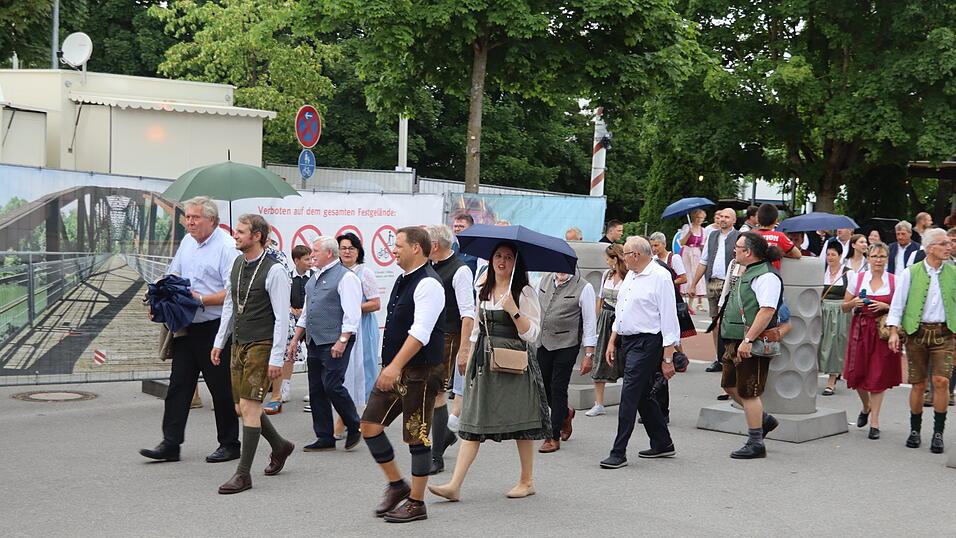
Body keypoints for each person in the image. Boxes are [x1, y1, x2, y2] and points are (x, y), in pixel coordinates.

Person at [428, 242, 547, 501]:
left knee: (522, 423)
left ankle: (527, 480)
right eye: (498, 256)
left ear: (516, 263)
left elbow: (533, 335)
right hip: (484, 361)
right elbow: (476, 329)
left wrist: (514, 311)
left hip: (515, 362)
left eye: (508, 257)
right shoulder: (483, 287)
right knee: (473, 420)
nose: (501, 261)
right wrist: (468, 353)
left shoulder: (524, 292)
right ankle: (455, 484)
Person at [139, 196, 240, 464]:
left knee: (221, 390)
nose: (189, 222)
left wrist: (201, 300)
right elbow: (173, 278)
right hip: (187, 325)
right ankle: (170, 444)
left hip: (215, 327)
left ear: (212, 221)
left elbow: (234, 293)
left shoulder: (227, 248)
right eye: (188, 217)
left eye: (195, 217)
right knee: (179, 386)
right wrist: (159, 301)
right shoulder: (187, 243)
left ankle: (230, 444)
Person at [361, 227, 445, 523]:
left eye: (398, 245)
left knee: (416, 435)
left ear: (417, 249)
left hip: (421, 371)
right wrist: (392, 366)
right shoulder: (403, 279)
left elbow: (420, 332)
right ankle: (397, 485)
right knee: (369, 425)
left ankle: (417, 503)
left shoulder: (430, 284)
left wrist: (394, 366)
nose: (393, 250)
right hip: (397, 369)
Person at [210, 214, 294, 494]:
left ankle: (243, 474)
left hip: (263, 343)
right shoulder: (236, 263)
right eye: (236, 231)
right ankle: (280, 445)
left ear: (257, 236)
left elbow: (282, 317)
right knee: (242, 408)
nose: (235, 235)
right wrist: (219, 342)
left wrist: (276, 359)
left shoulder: (274, 270)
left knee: (249, 407)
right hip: (239, 342)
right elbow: (229, 306)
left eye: (241, 232)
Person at [598, 236, 679, 469]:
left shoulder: (660, 277)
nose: (622, 258)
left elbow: (669, 319)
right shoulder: (632, 274)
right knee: (642, 394)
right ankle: (663, 442)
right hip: (628, 340)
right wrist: (613, 340)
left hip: (648, 342)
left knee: (630, 394)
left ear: (635, 255)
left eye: (625, 254)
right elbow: (622, 310)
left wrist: (667, 358)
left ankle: (618, 451)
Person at [288, 236, 363, 452]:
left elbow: (352, 314)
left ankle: (354, 423)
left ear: (329, 253)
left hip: (335, 341)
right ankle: (324, 437)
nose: (311, 255)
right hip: (314, 340)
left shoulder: (345, 277)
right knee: (317, 389)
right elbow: (306, 312)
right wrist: (295, 339)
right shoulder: (313, 279)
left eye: (315, 251)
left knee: (332, 384)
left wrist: (342, 341)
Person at [887, 228, 955, 453]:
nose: (949, 247)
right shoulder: (911, 272)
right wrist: (894, 331)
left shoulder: (953, 272)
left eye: (949, 243)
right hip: (916, 332)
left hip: (945, 333)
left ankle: (938, 432)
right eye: (943, 244)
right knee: (917, 384)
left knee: (941, 382)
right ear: (929, 248)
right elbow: (898, 304)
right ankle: (915, 429)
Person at [717, 232, 783, 459]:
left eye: (738, 247)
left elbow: (766, 311)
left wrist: (748, 340)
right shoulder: (749, 272)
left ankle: (756, 441)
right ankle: (764, 420)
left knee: (749, 391)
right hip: (736, 339)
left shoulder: (766, 276)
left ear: (748, 252)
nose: (734, 250)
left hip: (750, 342)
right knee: (730, 386)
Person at [424, 224, 475, 474]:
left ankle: (436, 456)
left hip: (450, 336)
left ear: (435, 245)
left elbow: (468, 314)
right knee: (430, 391)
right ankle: (443, 436)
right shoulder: (429, 266)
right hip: (430, 335)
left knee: (437, 392)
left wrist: (464, 349)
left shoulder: (460, 270)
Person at [841, 242, 900, 441]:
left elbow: (901, 308)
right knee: (856, 375)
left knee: (877, 376)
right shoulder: (857, 278)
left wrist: (886, 305)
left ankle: (874, 422)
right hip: (860, 330)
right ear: (868, 258)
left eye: (882, 257)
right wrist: (853, 302)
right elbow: (844, 307)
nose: (878, 260)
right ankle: (866, 406)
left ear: (887, 259)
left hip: (882, 332)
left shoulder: (894, 280)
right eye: (874, 256)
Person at [537, 268, 597, 453]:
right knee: (543, 386)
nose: (560, 271)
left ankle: (552, 437)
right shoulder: (543, 281)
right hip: (543, 342)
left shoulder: (584, 287)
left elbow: (589, 321)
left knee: (558, 387)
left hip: (567, 344)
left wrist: (589, 354)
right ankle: (565, 414)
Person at [331, 233, 381, 437]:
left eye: (351, 248)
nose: (347, 252)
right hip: (340, 330)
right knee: (342, 376)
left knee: (363, 374)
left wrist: (352, 307)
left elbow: (375, 303)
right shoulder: (335, 273)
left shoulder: (364, 273)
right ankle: (352, 419)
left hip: (363, 330)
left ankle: (348, 421)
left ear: (358, 251)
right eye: (343, 248)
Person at [264, 245, 313, 415]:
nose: (310, 262)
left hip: (310, 321)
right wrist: (292, 310)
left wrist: (305, 312)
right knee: (288, 353)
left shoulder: (314, 277)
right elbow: (282, 297)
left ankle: (313, 389)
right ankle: (285, 387)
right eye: (306, 259)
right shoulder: (288, 277)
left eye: (311, 259)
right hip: (292, 319)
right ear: (296, 260)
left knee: (313, 355)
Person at [689, 208, 739, 373]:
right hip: (712, 282)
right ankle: (719, 357)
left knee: (727, 321)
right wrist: (694, 284)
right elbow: (704, 261)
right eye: (721, 216)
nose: (723, 219)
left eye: (727, 217)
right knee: (715, 322)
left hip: (730, 283)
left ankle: (730, 356)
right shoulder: (712, 236)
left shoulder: (739, 237)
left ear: (733, 220)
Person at [585, 244, 628, 417]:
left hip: (622, 319)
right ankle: (598, 403)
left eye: (608, 258)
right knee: (600, 357)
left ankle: (629, 403)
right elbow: (600, 299)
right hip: (606, 317)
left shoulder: (629, 277)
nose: (606, 261)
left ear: (615, 259)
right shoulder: (606, 275)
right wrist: (596, 320)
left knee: (625, 359)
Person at [819, 242, 851, 396]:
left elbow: (851, 294)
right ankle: (813, 377)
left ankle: (832, 381)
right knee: (818, 343)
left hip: (839, 311)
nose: (830, 257)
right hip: (822, 310)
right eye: (828, 254)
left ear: (840, 256)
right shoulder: (821, 271)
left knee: (835, 344)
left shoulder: (847, 273)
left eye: (833, 254)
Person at [754, 203, 801, 268]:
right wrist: (781, 254)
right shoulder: (780, 236)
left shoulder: (751, 236)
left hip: (753, 273)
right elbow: (797, 255)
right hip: (771, 273)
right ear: (775, 221)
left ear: (757, 219)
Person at [679, 209, 708, 312]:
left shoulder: (703, 230)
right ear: (693, 217)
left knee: (695, 276)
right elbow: (681, 243)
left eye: (701, 218)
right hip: (687, 252)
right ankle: (684, 303)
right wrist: (688, 233)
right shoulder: (687, 227)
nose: (699, 220)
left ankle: (691, 305)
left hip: (696, 254)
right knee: (687, 275)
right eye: (698, 217)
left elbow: (702, 245)